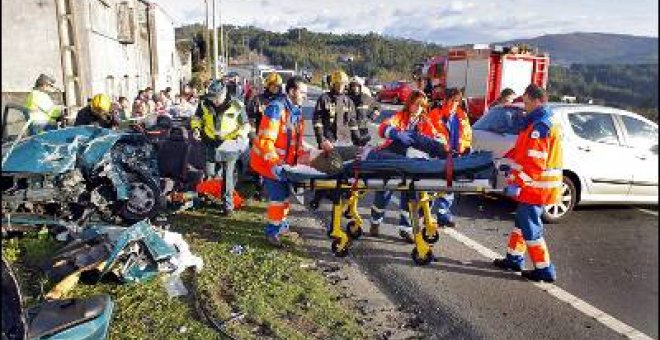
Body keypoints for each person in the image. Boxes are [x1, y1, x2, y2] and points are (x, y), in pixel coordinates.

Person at [492, 84, 563, 283]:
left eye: (526, 101)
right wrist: (503, 161)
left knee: (531, 227)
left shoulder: (541, 126)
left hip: (537, 186)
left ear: (536, 100)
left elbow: (535, 164)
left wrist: (518, 182)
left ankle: (545, 269)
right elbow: (522, 151)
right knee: (521, 223)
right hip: (535, 185)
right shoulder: (537, 122)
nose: (524, 105)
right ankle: (514, 258)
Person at [369, 90, 447, 241]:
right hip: (393, 159)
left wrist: (440, 143)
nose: (418, 108)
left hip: (411, 164)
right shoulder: (400, 117)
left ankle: (406, 228)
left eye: (422, 105)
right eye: (416, 104)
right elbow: (383, 127)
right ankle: (375, 221)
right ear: (410, 103)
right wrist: (394, 133)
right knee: (383, 192)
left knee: (411, 195)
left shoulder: (425, 121)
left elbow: (437, 136)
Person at [249, 76, 308, 246]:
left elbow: (296, 141)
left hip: (284, 165)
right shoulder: (276, 109)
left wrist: (308, 155)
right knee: (278, 198)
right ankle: (272, 232)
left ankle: (281, 226)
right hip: (270, 163)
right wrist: (275, 163)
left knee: (285, 197)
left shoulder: (295, 110)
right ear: (291, 91)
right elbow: (266, 141)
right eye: (302, 92)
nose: (305, 96)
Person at [190, 79, 250, 215]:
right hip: (210, 142)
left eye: (218, 98)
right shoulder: (204, 103)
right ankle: (209, 195)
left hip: (229, 145)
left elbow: (245, 124)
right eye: (213, 97)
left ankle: (228, 205)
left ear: (224, 93)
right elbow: (197, 118)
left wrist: (240, 134)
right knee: (210, 173)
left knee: (228, 176)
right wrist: (196, 129)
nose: (215, 101)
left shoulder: (237, 105)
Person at [428, 88, 472, 228]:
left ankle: (443, 215)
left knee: (449, 187)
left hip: (455, 156)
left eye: (457, 101)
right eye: (452, 100)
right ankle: (425, 214)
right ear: (446, 99)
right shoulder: (436, 114)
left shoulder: (462, 116)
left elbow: (467, 136)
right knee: (431, 186)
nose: (454, 103)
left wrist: (464, 148)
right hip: (438, 155)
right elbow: (429, 133)